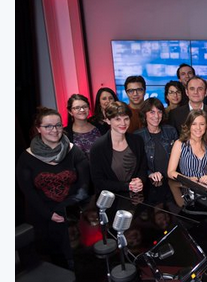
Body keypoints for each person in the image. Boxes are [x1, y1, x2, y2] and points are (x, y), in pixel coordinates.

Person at [16, 107, 89, 265]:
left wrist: (65, 208)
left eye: (58, 125)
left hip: (72, 215)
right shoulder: (26, 158)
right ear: (38, 129)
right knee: (56, 265)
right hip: (43, 219)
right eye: (48, 126)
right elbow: (28, 192)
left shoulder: (74, 151)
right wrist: (49, 214)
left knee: (80, 262)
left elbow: (84, 185)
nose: (54, 130)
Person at [89, 102, 148, 194]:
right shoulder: (98, 147)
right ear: (108, 120)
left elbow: (143, 168)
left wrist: (140, 180)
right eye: (117, 119)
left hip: (137, 195)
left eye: (126, 119)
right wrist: (127, 186)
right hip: (112, 197)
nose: (123, 123)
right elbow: (98, 181)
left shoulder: (137, 140)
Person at [134, 98, 178, 185]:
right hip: (151, 183)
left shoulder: (171, 131)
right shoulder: (138, 136)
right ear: (144, 114)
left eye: (159, 112)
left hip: (173, 181)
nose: (157, 116)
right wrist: (149, 173)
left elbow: (180, 157)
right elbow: (136, 165)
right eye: (152, 112)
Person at [167, 109, 207, 184]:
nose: (198, 128)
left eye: (202, 124)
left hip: (206, 187)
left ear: (206, 126)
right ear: (189, 125)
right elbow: (170, 172)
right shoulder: (179, 144)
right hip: (186, 187)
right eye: (194, 124)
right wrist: (188, 179)